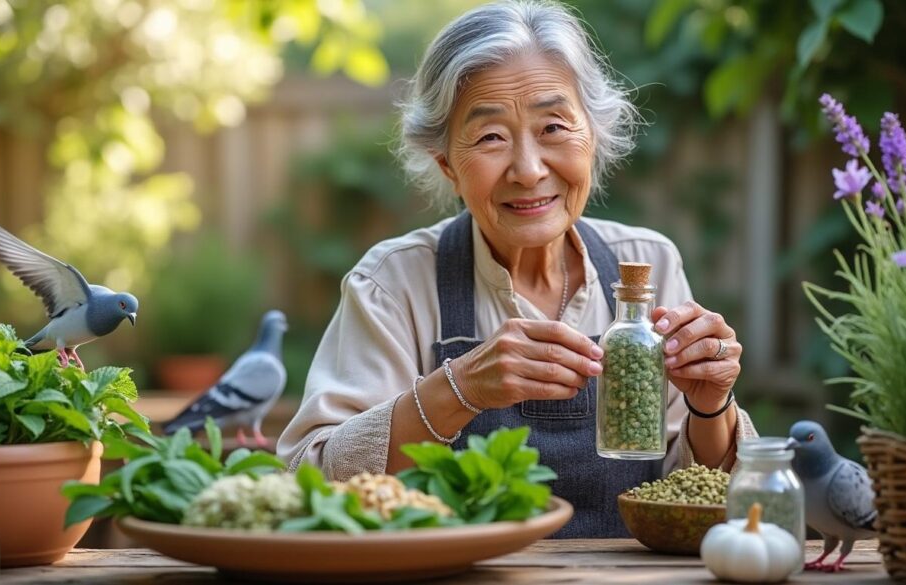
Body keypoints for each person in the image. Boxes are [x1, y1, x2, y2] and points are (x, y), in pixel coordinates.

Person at [277, 0, 758, 537]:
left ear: (592, 138)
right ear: (447, 166)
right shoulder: (393, 283)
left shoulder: (648, 264)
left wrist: (712, 407)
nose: (528, 171)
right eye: (490, 137)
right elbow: (308, 483)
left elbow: (697, 494)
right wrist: (461, 389)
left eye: (553, 126)